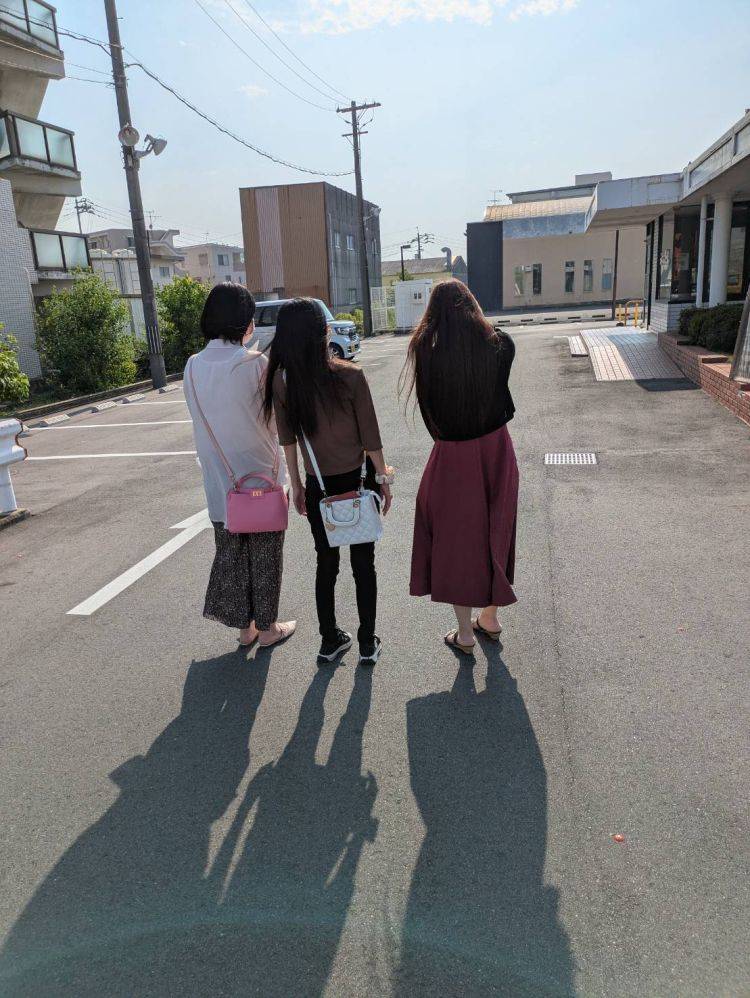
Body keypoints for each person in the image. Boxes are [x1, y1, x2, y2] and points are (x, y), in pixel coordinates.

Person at [264, 298, 393, 666]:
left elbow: (288, 440)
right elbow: (371, 439)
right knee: (363, 564)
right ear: (324, 332)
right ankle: (367, 642)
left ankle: (329, 639)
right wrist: (383, 479)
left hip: (317, 485)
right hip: (358, 481)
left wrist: (297, 485)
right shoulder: (350, 376)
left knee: (326, 563)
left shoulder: (282, 381)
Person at [401, 279, 518, 655]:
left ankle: (465, 633)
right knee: (498, 529)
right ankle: (491, 617)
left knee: (456, 542)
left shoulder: (426, 352)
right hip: (497, 450)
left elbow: (429, 414)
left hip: (452, 454)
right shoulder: (502, 345)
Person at [184, 282, 296, 649]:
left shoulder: (192, 366)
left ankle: (245, 629)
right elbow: (275, 422)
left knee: (231, 553)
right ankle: (268, 629)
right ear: (244, 321)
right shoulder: (255, 363)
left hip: (220, 479)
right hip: (260, 474)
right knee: (265, 555)